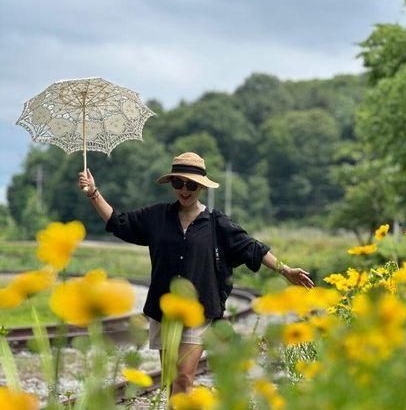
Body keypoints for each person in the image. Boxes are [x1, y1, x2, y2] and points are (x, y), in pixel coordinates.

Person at [79, 151, 314, 395]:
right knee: (171, 380)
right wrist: (94, 194)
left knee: (183, 377)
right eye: (179, 183)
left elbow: (251, 247)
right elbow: (119, 223)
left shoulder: (216, 222)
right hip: (164, 309)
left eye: (191, 184)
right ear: (172, 184)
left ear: (201, 186)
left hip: (199, 312)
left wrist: (285, 270)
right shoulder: (157, 216)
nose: (185, 189)